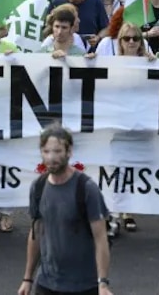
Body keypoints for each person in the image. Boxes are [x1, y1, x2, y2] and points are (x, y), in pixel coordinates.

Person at [18, 124, 112, 295]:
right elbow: (36, 233)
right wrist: (27, 278)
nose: (51, 158)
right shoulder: (38, 187)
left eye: (57, 151)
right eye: (46, 151)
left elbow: (101, 238)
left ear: (69, 152)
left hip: (83, 286)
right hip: (46, 283)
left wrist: (103, 283)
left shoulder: (86, 189)